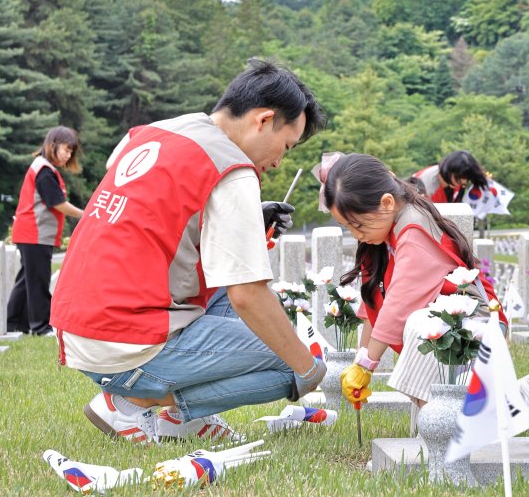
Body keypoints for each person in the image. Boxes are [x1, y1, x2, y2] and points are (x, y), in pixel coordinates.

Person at [50, 59, 328, 445]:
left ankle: (184, 419)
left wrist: (248, 217)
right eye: (286, 146)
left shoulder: (153, 132)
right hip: (126, 339)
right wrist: (310, 370)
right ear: (263, 120)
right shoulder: (234, 169)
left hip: (78, 324)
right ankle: (130, 402)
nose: (279, 160)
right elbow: (247, 295)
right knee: (292, 359)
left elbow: (152, 207)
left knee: (264, 314)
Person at [317, 153, 529, 430]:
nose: (355, 234)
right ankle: (503, 405)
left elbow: (399, 303)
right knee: (421, 359)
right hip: (446, 322)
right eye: (348, 227)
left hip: (473, 323)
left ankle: (473, 421)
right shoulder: (388, 230)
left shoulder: (413, 230)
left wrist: (366, 365)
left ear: (386, 203)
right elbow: (372, 304)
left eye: (358, 224)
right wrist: (360, 359)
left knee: (418, 335)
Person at [7, 126, 84, 336]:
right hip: (35, 234)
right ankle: (40, 326)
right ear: (53, 145)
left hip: (32, 234)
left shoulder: (43, 168)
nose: (68, 155)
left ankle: (14, 323)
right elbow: (57, 203)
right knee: (38, 279)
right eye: (66, 150)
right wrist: (83, 214)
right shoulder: (44, 171)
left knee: (26, 280)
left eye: (71, 152)